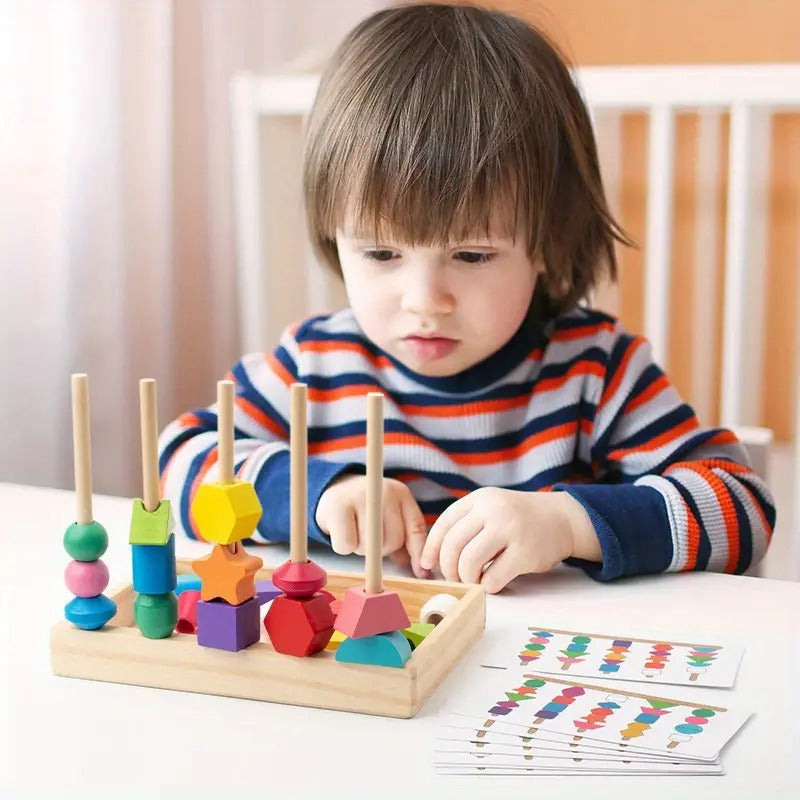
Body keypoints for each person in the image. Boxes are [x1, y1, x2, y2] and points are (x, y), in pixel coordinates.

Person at [158, 3, 774, 593]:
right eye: (381, 255)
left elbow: (742, 506)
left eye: (473, 256)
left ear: (545, 241)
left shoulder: (596, 372)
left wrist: (568, 524)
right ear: (332, 236)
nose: (425, 301)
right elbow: (180, 461)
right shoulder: (314, 365)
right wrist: (316, 495)